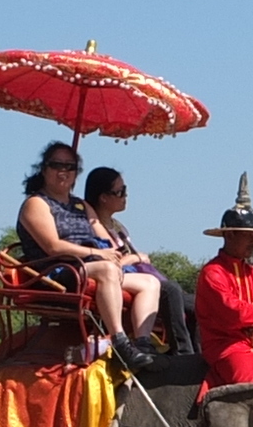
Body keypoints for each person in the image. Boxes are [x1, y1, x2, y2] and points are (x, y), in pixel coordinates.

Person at [15, 140, 161, 368]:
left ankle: (142, 342)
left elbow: (107, 240)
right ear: (44, 169)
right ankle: (120, 341)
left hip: (91, 267)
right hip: (58, 271)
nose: (63, 171)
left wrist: (121, 255)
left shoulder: (81, 205)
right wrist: (97, 254)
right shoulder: (36, 203)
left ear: (76, 173)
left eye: (70, 167)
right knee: (106, 269)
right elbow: (53, 247)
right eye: (56, 165)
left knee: (150, 282)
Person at [82, 165, 194, 354]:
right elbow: (109, 261)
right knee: (171, 290)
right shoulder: (93, 226)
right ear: (103, 197)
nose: (126, 196)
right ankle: (182, 352)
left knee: (196, 305)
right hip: (118, 275)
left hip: (132, 275)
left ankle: (199, 352)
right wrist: (135, 258)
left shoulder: (118, 227)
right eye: (121, 192)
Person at [194, 173, 253, 389]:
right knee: (250, 384)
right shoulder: (212, 273)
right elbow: (234, 314)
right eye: (247, 234)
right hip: (226, 346)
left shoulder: (252, 273)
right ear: (230, 234)